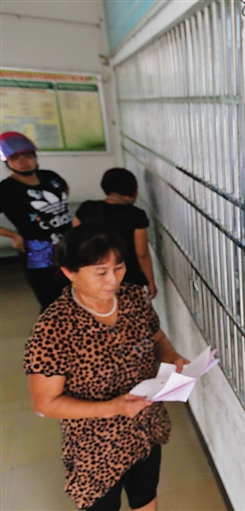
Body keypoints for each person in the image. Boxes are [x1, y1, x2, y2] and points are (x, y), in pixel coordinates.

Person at [24, 223, 188, 511]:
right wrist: (112, 407)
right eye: (100, 272)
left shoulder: (133, 298)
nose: (113, 280)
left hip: (145, 427)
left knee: (145, 495)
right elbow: (45, 403)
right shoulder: (54, 328)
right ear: (69, 273)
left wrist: (172, 357)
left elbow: (157, 336)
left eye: (119, 267)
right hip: (95, 445)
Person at [0, 131, 71, 310]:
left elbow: (64, 190)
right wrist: (13, 235)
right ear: (7, 161)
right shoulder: (6, 189)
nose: (23, 161)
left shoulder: (49, 176)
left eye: (27, 156)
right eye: (16, 158)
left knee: (75, 293)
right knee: (51, 301)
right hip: (38, 252)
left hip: (69, 245)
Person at [75, 167, 157, 299]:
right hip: (127, 278)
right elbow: (142, 253)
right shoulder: (136, 215)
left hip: (93, 277)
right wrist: (150, 281)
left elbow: (75, 242)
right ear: (132, 189)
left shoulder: (86, 208)